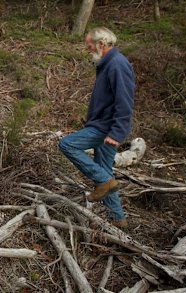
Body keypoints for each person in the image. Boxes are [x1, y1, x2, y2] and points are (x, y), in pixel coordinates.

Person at [58, 27, 135, 228]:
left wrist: (117, 132)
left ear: (101, 44)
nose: (88, 49)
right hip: (104, 126)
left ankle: (103, 181)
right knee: (104, 170)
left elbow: (125, 101)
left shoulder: (117, 64)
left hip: (106, 128)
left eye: (89, 45)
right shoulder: (107, 64)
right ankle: (118, 220)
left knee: (67, 144)